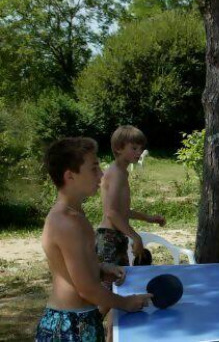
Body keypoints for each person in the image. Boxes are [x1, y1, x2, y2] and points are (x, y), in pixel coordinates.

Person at [36, 138, 151, 341]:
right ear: (70, 176)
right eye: (94, 168)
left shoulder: (74, 214)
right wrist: (127, 302)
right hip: (71, 327)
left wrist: (101, 268)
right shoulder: (66, 222)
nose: (101, 174)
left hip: (78, 321)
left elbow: (71, 268)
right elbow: (86, 288)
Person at [96, 126, 165, 270]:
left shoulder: (122, 173)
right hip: (109, 238)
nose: (139, 152)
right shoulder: (116, 174)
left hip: (117, 236)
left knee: (121, 285)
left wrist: (149, 218)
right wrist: (136, 237)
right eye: (134, 148)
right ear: (118, 148)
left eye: (140, 148)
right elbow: (111, 212)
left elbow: (123, 211)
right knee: (112, 287)